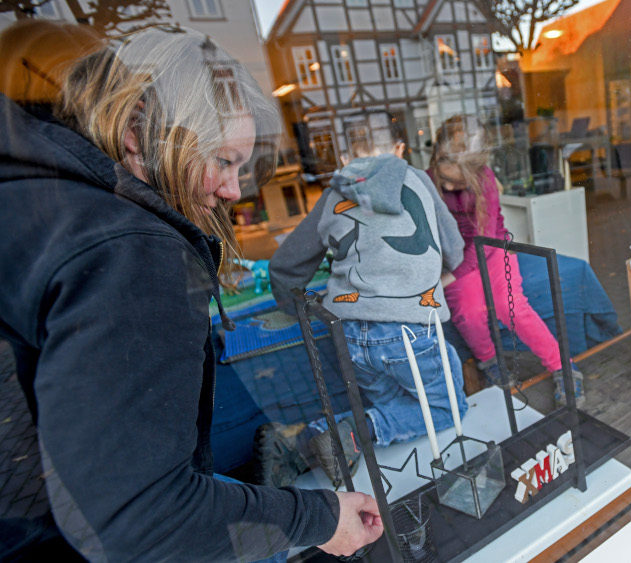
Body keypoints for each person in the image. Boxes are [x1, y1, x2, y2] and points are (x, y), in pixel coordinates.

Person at [0, 26, 382, 561]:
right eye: (223, 160)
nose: (232, 191)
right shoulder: (127, 250)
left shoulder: (38, 202)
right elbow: (147, 520)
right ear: (138, 131)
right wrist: (318, 518)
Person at [268, 111, 468, 485]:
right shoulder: (420, 180)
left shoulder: (332, 195)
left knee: (389, 408)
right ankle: (352, 434)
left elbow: (287, 265)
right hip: (411, 332)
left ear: (343, 158)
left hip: (349, 334)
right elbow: (454, 249)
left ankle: (304, 441)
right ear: (399, 148)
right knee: (448, 408)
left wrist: (290, 307)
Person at [427, 115, 585, 406]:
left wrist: (447, 278)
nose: (448, 189)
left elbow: (483, 243)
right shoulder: (426, 180)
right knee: (467, 310)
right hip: (455, 255)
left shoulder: (485, 180)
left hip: (491, 247)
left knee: (510, 306)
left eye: (456, 183)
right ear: (436, 156)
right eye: (445, 180)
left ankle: (563, 367)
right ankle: (490, 363)